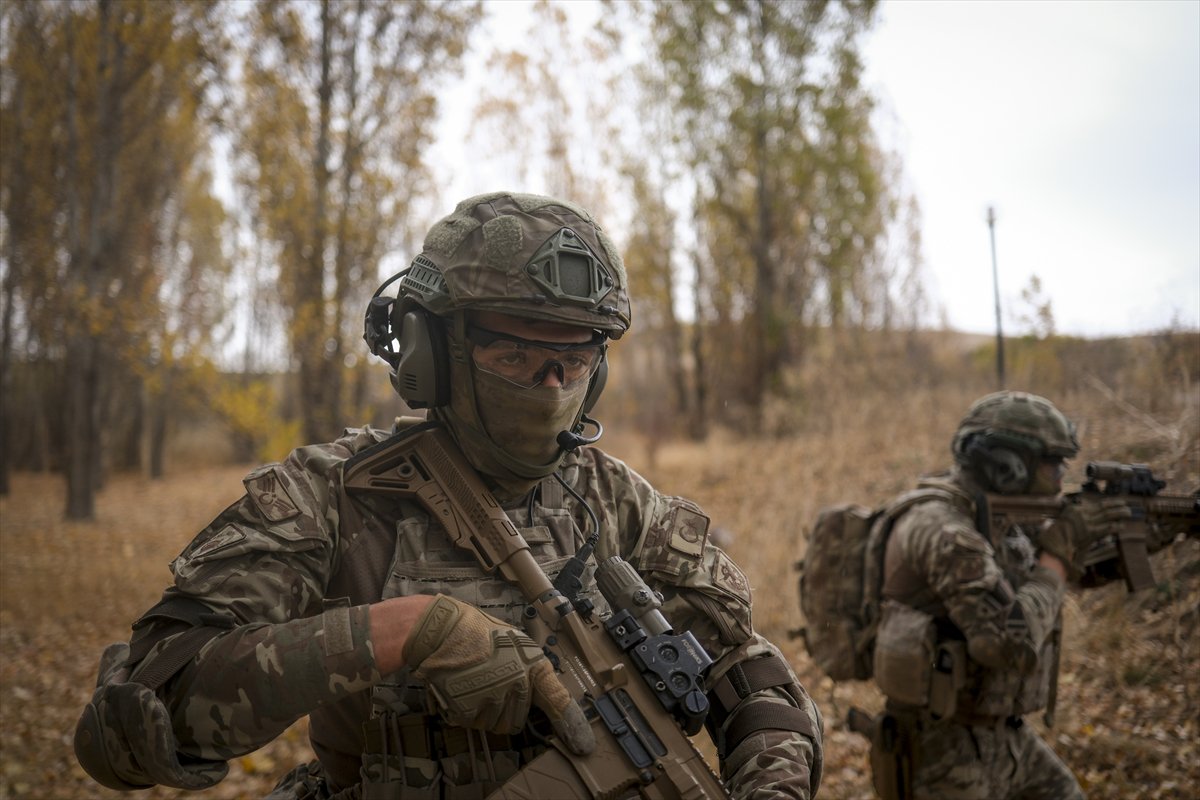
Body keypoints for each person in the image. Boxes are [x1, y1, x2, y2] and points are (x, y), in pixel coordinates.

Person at [74, 191, 823, 799]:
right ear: (432, 356)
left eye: (574, 356)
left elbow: (747, 674)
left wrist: (774, 783)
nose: (551, 386)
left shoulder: (619, 504)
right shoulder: (334, 496)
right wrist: (403, 633)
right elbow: (135, 727)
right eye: (514, 353)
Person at [867, 390, 1130, 800]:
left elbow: (1045, 576)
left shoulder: (997, 513)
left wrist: (1130, 539)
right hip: (943, 750)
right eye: (1053, 463)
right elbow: (1008, 641)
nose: (1063, 476)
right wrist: (1060, 551)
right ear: (1006, 466)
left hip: (1004, 734)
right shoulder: (944, 530)